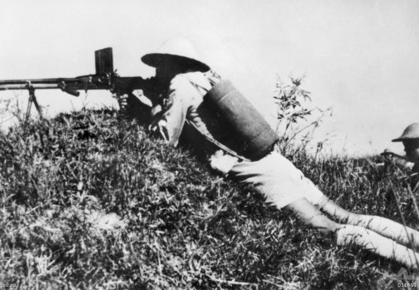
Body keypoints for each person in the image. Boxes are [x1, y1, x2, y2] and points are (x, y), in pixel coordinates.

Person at [119, 38, 419, 269]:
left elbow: (164, 140)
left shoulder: (178, 85)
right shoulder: (204, 79)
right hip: (274, 159)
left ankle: (411, 264)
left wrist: (145, 108)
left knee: (326, 228)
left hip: (258, 171)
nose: (155, 71)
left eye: (159, 64)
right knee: (344, 215)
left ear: (170, 63)